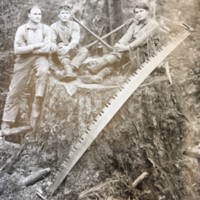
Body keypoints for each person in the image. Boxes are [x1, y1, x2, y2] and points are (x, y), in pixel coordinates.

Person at [1, 5, 51, 132]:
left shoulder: (46, 29)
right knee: (15, 88)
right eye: (35, 14)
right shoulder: (22, 29)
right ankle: (7, 121)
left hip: (40, 58)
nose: (37, 16)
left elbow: (48, 47)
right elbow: (17, 50)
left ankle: (37, 102)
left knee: (44, 71)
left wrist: (30, 48)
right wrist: (37, 46)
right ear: (29, 15)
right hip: (23, 60)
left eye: (39, 14)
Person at [81, 2, 159, 84]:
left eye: (141, 11)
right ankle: (99, 76)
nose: (139, 14)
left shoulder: (153, 25)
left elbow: (142, 40)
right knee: (118, 56)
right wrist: (119, 44)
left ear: (147, 12)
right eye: (136, 12)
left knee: (119, 55)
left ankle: (97, 67)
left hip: (145, 53)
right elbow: (127, 36)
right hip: (133, 49)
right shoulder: (135, 24)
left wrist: (126, 48)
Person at [50, 4, 88, 81]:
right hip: (58, 55)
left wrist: (68, 47)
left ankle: (68, 70)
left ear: (70, 15)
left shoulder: (75, 25)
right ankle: (69, 71)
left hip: (71, 51)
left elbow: (75, 40)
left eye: (67, 13)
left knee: (84, 51)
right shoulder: (53, 27)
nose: (65, 15)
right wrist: (59, 48)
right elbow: (52, 42)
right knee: (60, 44)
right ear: (59, 15)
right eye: (62, 13)